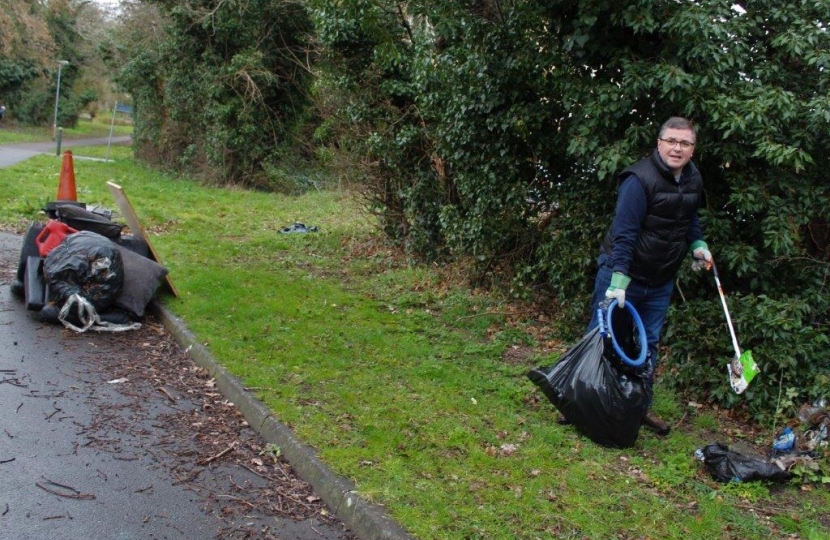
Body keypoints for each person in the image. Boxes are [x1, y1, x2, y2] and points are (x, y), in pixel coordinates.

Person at [586, 116, 712, 436]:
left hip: (659, 280)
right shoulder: (638, 179)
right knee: (602, 337)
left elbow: (689, 218)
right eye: (671, 141)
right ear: (659, 143)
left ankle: (637, 407)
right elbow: (625, 233)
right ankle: (582, 402)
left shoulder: (694, 179)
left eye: (684, 143)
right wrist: (618, 279)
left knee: (647, 344)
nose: (677, 148)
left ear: (693, 149)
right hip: (622, 274)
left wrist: (698, 245)